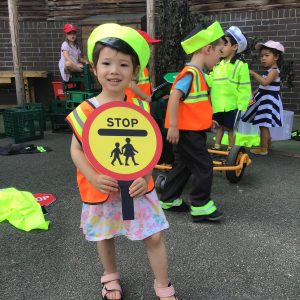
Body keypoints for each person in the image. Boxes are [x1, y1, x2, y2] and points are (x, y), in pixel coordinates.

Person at [66, 23, 178, 300]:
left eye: (123, 64)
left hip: (139, 186)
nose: (114, 70)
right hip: (102, 188)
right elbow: (76, 150)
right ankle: (110, 277)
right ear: (94, 68)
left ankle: (163, 285)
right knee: (105, 236)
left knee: (153, 236)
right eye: (106, 63)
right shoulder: (85, 111)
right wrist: (92, 176)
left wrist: (146, 174)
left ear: (135, 71)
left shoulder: (141, 108)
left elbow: (151, 148)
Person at [159, 20, 225, 222]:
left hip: (189, 130)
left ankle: (169, 199)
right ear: (207, 49)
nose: (220, 57)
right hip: (187, 132)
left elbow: (192, 105)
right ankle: (201, 205)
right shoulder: (191, 73)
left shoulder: (196, 74)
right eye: (219, 52)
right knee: (204, 165)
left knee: (183, 166)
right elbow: (174, 97)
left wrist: (208, 122)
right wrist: (173, 126)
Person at [207, 26, 251, 150]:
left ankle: (232, 149)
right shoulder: (218, 64)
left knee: (231, 128)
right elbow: (211, 81)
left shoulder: (240, 65)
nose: (221, 47)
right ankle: (217, 147)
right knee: (219, 127)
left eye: (225, 44)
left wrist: (242, 105)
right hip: (217, 104)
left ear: (235, 47)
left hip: (232, 105)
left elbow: (244, 87)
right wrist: (201, 75)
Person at [242, 40, 285, 155]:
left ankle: (263, 148)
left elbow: (265, 82)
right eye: (261, 56)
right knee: (263, 123)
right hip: (264, 99)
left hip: (269, 101)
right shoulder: (268, 71)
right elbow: (263, 87)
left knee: (263, 124)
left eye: (267, 55)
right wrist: (255, 93)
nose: (263, 58)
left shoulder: (274, 71)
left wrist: (253, 73)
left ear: (276, 57)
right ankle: (268, 141)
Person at [125, 29, 161, 103]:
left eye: (150, 47)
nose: (150, 50)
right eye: (148, 46)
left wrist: (155, 93)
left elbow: (144, 85)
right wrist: (146, 98)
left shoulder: (142, 65)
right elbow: (131, 85)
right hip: (133, 105)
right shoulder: (133, 64)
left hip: (141, 105)